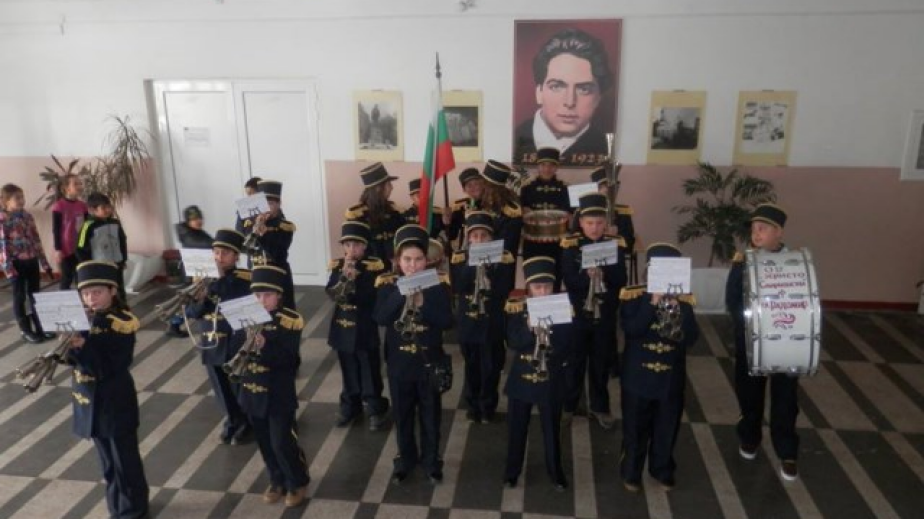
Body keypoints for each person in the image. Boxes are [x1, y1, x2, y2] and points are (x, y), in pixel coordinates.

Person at [726, 203, 801, 481]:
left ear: (779, 232)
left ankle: (787, 451)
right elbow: (733, 300)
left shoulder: (795, 262)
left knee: (785, 398)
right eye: (754, 229)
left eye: (763, 229)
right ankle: (750, 437)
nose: (756, 234)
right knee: (749, 392)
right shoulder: (742, 261)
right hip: (751, 339)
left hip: (786, 340)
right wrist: (749, 325)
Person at [373, 225, 453, 485]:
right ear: (398, 261)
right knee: (403, 415)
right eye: (407, 259)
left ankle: (432, 462)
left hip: (428, 363)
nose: (413, 265)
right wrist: (401, 294)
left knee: (430, 416)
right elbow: (380, 317)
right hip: (400, 364)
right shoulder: (388, 285)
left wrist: (422, 303)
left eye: (418, 259)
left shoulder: (437, 285)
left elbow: (447, 321)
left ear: (426, 261)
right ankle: (405, 460)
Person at [68, 260, 149, 519]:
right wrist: (68, 346)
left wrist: (83, 347)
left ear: (112, 291)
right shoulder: (82, 318)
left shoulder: (121, 323)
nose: (91, 298)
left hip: (114, 402)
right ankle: (117, 508)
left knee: (125, 462)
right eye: (86, 293)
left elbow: (108, 367)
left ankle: (134, 511)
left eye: (97, 292)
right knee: (108, 464)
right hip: (89, 401)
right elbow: (72, 361)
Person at [619, 243, 699, 492]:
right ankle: (631, 470)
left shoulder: (684, 303)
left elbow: (691, 338)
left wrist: (676, 310)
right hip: (638, 377)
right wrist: (652, 303)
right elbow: (632, 329)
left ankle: (662, 468)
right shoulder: (633, 297)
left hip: (669, 378)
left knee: (667, 426)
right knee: (635, 427)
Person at [238, 265, 310, 508]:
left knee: (282, 442)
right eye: (257, 295)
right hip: (252, 390)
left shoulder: (288, 321)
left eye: (268, 295)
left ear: (279, 295)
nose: (262, 301)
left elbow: (290, 359)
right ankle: (276, 478)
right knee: (265, 441)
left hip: (278, 392)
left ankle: (296, 480)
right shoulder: (243, 317)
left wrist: (264, 345)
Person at [503, 256, 572, 491]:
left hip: (550, 378)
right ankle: (511, 472)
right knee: (516, 428)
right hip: (522, 378)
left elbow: (567, 346)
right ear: (529, 288)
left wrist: (551, 333)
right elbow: (513, 342)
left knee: (551, 429)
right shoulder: (517, 308)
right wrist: (529, 329)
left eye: (547, 287)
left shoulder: (563, 309)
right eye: (537, 287)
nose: (542, 292)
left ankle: (555, 472)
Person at [560, 193, 628, 429]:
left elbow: (621, 279)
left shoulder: (614, 245)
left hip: (604, 313)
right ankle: (569, 405)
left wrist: (604, 274)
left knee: (600, 361)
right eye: (590, 223)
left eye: (599, 223)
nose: (595, 228)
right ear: (581, 223)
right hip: (578, 313)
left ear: (605, 223)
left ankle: (600, 406)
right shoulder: (571, 246)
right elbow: (568, 280)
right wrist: (586, 276)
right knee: (574, 361)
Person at [186, 229, 253, 445]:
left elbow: (237, 301)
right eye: (216, 252)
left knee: (239, 387)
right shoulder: (200, 279)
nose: (219, 257)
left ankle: (246, 424)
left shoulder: (244, 279)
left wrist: (218, 281)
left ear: (236, 257)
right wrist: (202, 298)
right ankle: (232, 420)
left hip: (234, 342)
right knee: (221, 390)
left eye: (225, 253)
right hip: (211, 342)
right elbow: (191, 312)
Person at [449, 212, 515, 423]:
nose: (479, 240)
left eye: (484, 236)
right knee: (471, 365)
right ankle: (472, 404)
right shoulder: (460, 257)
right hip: (469, 322)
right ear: (469, 238)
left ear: (491, 237)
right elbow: (458, 286)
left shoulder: (503, 257)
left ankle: (488, 405)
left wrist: (488, 268)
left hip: (491, 322)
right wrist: (473, 264)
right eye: (474, 236)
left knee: (491, 366)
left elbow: (505, 288)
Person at [513, 28, 613, 166]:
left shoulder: (604, 147)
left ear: (598, 98)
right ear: (539, 92)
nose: (569, 102)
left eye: (584, 89)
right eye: (556, 87)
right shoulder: (513, 138)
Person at [326, 221, 390, 431]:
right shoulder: (337, 266)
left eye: (356, 245)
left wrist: (355, 282)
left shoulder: (373, 267)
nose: (351, 250)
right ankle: (350, 405)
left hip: (364, 326)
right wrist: (343, 277)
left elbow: (372, 296)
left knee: (369, 368)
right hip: (342, 326)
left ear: (364, 246)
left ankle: (375, 406)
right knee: (348, 368)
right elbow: (331, 292)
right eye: (347, 245)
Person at [0, 183, 55, 343]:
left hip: (31, 261)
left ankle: (41, 327)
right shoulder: (3, 220)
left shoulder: (27, 216)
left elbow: (36, 240)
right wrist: (8, 268)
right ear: (6, 201)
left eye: (22, 197)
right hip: (15, 264)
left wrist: (45, 264)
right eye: (17, 198)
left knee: (35, 295)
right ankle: (25, 330)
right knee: (20, 297)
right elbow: (2, 246)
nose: (22, 200)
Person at [238, 180, 296, 309]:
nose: (266, 208)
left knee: (281, 311)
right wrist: (254, 229)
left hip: (277, 275)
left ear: (279, 204)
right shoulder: (249, 223)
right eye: (263, 204)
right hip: (257, 273)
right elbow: (244, 247)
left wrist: (264, 236)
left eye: (270, 203)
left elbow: (277, 253)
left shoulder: (285, 226)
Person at [520, 147, 571, 286]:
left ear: (556, 167)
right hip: (533, 242)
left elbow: (571, 215)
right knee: (533, 278)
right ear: (538, 166)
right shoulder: (526, 188)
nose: (547, 169)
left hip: (557, 242)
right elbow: (521, 213)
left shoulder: (566, 188)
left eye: (551, 165)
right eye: (543, 165)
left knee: (555, 277)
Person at [165, 205, 214, 338]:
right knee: (192, 302)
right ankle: (174, 323)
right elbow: (204, 244)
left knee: (189, 302)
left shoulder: (196, 232)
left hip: (198, 271)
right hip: (193, 274)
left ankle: (174, 324)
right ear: (188, 221)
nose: (198, 221)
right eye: (194, 219)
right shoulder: (187, 234)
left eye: (199, 218)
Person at [345, 162, 405, 264]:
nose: (392, 188)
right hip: (368, 266)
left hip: (394, 265)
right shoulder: (357, 214)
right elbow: (352, 246)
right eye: (388, 185)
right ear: (378, 188)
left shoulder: (396, 211)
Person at [76, 193, 128, 302]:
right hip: (100, 266)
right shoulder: (88, 226)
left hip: (116, 263)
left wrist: (123, 259)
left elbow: (122, 241)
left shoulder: (116, 223)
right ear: (92, 210)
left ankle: (122, 307)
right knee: (105, 290)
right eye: (103, 208)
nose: (108, 210)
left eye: (109, 206)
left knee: (119, 288)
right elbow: (80, 248)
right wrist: (88, 265)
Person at [478, 160, 523, 256]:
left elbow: (507, 246)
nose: (482, 189)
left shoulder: (511, 213)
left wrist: (478, 252)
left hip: (501, 259)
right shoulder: (479, 204)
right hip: (480, 257)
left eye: (486, 185)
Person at [52, 173, 88, 289]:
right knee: (66, 278)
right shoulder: (59, 206)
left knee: (81, 277)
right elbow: (56, 229)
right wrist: (58, 249)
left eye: (80, 183)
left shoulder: (83, 206)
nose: (79, 186)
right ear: (66, 188)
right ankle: (63, 299)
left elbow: (86, 226)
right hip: (66, 249)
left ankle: (82, 299)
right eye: (75, 184)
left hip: (80, 247)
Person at [444, 167, 484, 250]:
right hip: (467, 251)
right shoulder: (460, 208)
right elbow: (451, 235)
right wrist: (446, 223)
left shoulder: (492, 204)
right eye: (469, 185)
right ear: (464, 190)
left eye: (476, 183)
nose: (474, 187)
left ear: (482, 184)